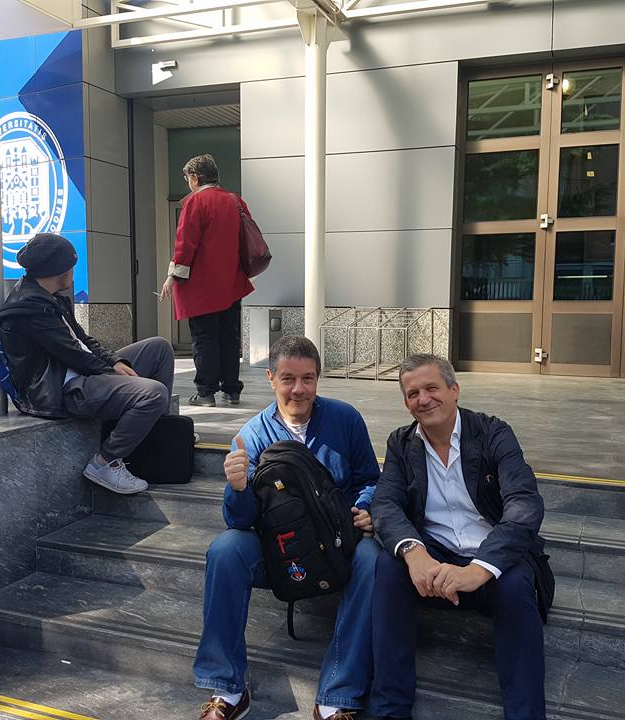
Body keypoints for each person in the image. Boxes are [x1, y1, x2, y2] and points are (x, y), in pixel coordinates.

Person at [195, 335, 380, 720]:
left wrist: (365, 508)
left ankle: (336, 695)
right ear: (270, 379)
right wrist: (237, 489)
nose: (299, 389)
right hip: (282, 551)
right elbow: (239, 521)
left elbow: (370, 479)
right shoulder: (252, 435)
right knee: (226, 549)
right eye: (288, 379)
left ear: (318, 378)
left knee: (372, 556)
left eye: (308, 378)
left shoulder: (344, 419)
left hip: (338, 542)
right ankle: (228, 689)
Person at [368, 354, 548, 720]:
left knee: (515, 584)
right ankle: (390, 710)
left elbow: (524, 505)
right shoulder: (401, 443)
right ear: (406, 402)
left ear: (454, 390)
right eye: (413, 393)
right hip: (436, 559)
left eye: (432, 388)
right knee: (388, 566)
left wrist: (478, 569)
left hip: (490, 557)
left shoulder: (493, 433)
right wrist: (414, 552)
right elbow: (385, 504)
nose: (423, 399)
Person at [0, 233, 175, 495]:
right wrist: (112, 372)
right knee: (152, 393)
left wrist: (114, 361)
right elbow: (73, 355)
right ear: (59, 270)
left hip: (79, 373)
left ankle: (163, 430)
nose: (73, 271)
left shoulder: (51, 296)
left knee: (158, 348)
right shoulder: (28, 307)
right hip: (62, 388)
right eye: (71, 265)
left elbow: (83, 340)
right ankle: (105, 463)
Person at [158, 153, 253, 408]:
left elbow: (185, 244)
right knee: (229, 337)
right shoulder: (234, 200)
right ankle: (232, 391)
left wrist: (172, 277)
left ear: (195, 177)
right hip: (231, 282)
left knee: (204, 338)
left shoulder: (195, 202)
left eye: (188, 178)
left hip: (202, 285)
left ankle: (206, 392)